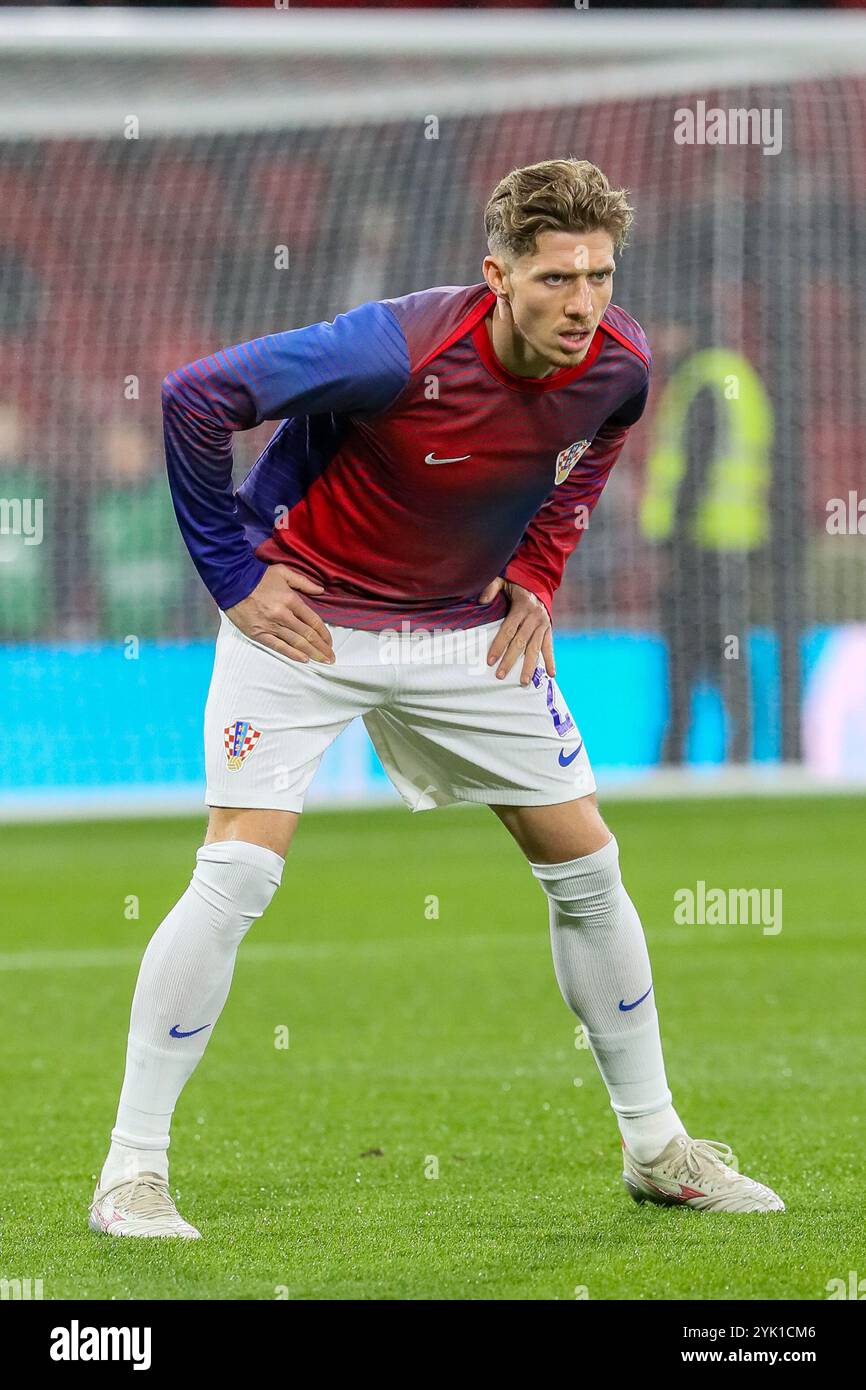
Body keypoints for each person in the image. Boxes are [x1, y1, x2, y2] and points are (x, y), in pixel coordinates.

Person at [89, 157, 784, 1238]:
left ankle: (655, 1149)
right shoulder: (396, 345)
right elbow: (196, 396)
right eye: (555, 277)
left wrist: (539, 574)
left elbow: (586, 458)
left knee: (588, 869)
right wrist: (232, 573)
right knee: (234, 875)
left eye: (599, 274)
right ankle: (131, 1171)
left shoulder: (621, 366)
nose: (582, 302)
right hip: (307, 622)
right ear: (496, 275)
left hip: (464, 632)